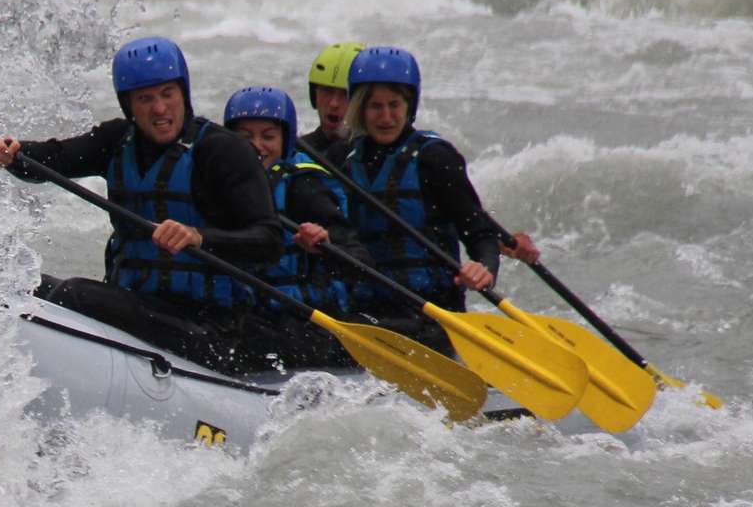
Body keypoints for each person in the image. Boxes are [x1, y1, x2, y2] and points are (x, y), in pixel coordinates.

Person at [0, 36, 286, 372]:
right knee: (25, 281)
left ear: (183, 93)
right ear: (129, 105)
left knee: (74, 294)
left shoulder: (223, 151)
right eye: (146, 99)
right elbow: (54, 158)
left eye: (168, 94)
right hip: (138, 303)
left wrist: (199, 237)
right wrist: (13, 153)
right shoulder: (116, 140)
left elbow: (269, 241)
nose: (159, 108)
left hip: (210, 327)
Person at [339, 46, 540, 328]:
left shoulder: (435, 158)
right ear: (360, 108)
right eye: (376, 106)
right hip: (370, 312)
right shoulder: (348, 163)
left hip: (433, 312)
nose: (386, 117)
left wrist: (484, 269)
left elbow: (479, 232)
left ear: (409, 105)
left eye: (394, 105)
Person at [218, 85, 361, 367]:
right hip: (251, 314)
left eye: (268, 136)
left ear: (285, 141)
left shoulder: (304, 188)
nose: (256, 145)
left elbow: (358, 259)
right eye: (245, 137)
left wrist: (326, 244)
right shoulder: (221, 185)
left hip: (303, 324)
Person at [299, 41, 363, 161]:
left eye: (345, 94)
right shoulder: (296, 151)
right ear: (314, 94)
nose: (334, 103)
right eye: (327, 91)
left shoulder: (373, 156)